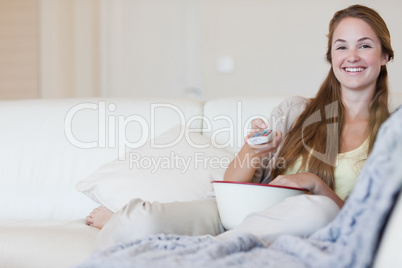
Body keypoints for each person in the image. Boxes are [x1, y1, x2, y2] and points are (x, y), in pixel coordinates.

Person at [86, 4, 394, 249]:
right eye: (341, 47)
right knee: (141, 220)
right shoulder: (297, 111)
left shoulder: (393, 132)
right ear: (330, 56)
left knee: (316, 210)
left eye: (364, 46)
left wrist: (316, 184)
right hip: (235, 216)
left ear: (385, 55)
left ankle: (205, 248)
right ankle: (144, 230)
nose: (351, 56)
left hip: (304, 223)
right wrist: (254, 149)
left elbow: (365, 220)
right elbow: (232, 186)